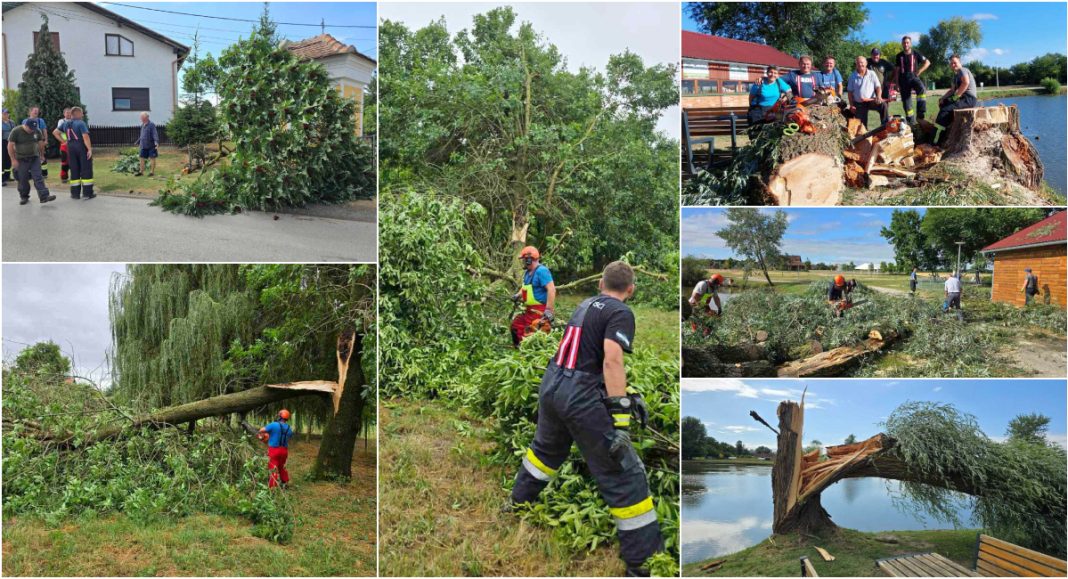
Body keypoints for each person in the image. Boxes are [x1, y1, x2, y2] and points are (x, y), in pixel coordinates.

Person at [508, 261, 663, 576]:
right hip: (579, 396)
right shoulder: (621, 312)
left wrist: (628, 393)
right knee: (625, 474)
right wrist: (621, 420)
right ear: (630, 290)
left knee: (544, 453)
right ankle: (644, 565)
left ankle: (516, 504)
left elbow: (584, 355)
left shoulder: (584, 305)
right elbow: (612, 359)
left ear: (600, 285)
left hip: (552, 386)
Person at [511, 246, 557, 346]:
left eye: (524, 260)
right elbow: (524, 287)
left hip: (539, 311)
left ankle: (527, 352)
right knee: (516, 325)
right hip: (529, 310)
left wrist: (549, 310)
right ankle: (519, 349)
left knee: (531, 335)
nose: (523, 262)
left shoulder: (542, 271)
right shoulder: (527, 273)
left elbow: (551, 289)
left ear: (529, 259)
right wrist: (518, 295)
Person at [7, 119, 56, 205]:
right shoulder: (16, 131)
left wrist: (42, 155)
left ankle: (44, 196)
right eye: (30, 128)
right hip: (21, 159)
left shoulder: (36, 130)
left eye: (33, 128)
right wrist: (13, 159)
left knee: (38, 177)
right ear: (25, 125)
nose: (32, 130)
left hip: (34, 157)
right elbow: (10, 146)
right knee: (23, 179)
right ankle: (24, 196)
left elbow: (40, 143)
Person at [935, 55, 979, 145]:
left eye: (955, 62)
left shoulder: (963, 70)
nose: (953, 64)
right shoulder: (955, 76)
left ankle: (937, 140)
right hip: (962, 97)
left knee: (945, 110)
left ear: (960, 63)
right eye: (951, 63)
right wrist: (943, 98)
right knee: (943, 104)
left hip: (969, 98)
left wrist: (956, 97)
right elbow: (952, 90)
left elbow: (966, 83)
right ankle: (946, 129)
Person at [893, 36, 930, 123]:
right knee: (907, 105)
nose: (906, 44)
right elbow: (897, 71)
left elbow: (927, 62)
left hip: (913, 77)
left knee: (921, 88)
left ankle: (920, 114)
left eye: (907, 42)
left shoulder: (916, 53)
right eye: (904, 43)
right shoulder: (899, 56)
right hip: (903, 81)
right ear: (902, 44)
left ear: (910, 43)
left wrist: (919, 71)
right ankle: (912, 123)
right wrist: (897, 84)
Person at [847, 56, 889, 128]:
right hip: (859, 104)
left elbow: (878, 87)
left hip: (871, 101)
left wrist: (878, 96)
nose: (860, 64)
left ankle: (885, 126)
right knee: (862, 127)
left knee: (883, 105)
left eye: (862, 62)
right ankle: (866, 136)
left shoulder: (872, 73)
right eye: (858, 63)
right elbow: (850, 92)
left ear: (866, 63)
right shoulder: (852, 76)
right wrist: (851, 105)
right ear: (856, 64)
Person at [259, 409, 294, 489]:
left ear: (280, 416)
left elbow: (262, 430)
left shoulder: (274, 425)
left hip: (274, 450)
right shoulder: (289, 428)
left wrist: (265, 436)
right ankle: (285, 482)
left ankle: (273, 487)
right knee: (282, 466)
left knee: (273, 467)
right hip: (284, 451)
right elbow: (289, 436)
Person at [64, 107, 94, 199]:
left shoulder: (66, 124)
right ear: (77, 114)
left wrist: (64, 141)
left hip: (71, 148)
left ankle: (75, 194)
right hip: (81, 148)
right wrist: (89, 149)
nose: (83, 115)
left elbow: (55, 132)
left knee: (74, 170)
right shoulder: (81, 123)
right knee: (86, 170)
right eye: (82, 113)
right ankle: (87, 193)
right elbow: (85, 136)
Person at [22, 105, 48, 176]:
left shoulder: (40, 120)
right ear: (30, 112)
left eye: (37, 111)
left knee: (42, 156)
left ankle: (44, 173)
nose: (36, 112)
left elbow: (44, 130)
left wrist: (46, 140)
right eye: (35, 111)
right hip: (29, 142)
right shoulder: (25, 121)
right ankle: (30, 173)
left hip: (39, 141)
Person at [51, 108, 72, 183]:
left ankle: (75, 176)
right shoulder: (61, 122)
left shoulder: (74, 121)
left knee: (73, 161)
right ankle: (64, 177)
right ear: (64, 114)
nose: (68, 114)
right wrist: (63, 141)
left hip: (73, 144)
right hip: (65, 145)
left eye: (70, 113)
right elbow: (57, 132)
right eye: (67, 113)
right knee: (65, 161)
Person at [135, 112, 159, 176]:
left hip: (151, 145)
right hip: (143, 145)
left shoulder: (151, 124)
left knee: (152, 158)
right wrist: (138, 141)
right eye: (141, 117)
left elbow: (155, 134)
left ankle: (152, 172)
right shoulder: (142, 125)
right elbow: (142, 135)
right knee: (141, 158)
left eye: (142, 117)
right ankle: (141, 172)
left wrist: (156, 142)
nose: (141, 118)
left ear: (147, 117)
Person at [2, 109, 14, 185]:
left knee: (9, 158)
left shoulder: (11, 122)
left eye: (7, 113)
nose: (6, 115)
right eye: (4, 113)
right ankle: (1, 179)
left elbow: (14, 131)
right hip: (2, 142)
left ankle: (7, 176)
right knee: (2, 159)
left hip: (10, 142)